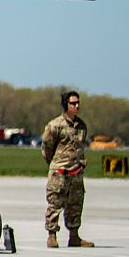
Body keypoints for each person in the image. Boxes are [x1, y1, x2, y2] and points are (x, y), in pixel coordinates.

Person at [42, 90, 93, 248]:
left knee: (75, 205)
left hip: (76, 172)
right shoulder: (55, 125)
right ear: (65, 105)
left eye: (78, 103)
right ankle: (52, 235)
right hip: (60, 172)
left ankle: (74, 236)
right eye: (73, 103)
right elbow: (47, 147)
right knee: (55, 203)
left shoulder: (81, 126)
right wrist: (55, 164)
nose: (76, 106)